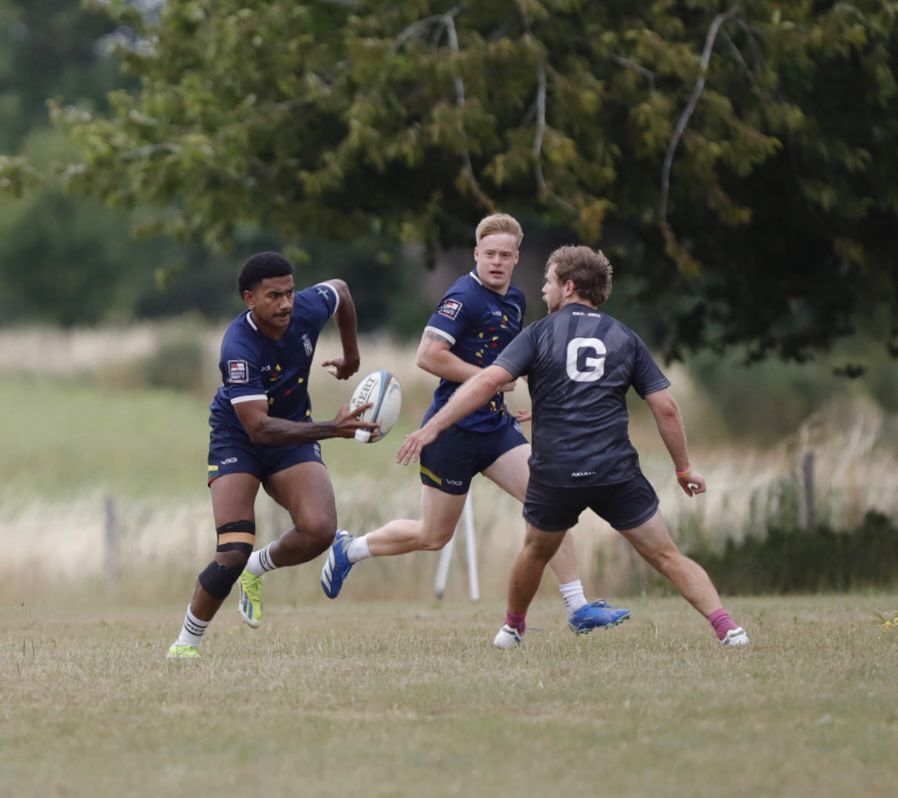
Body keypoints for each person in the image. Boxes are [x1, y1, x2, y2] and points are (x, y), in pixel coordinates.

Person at [397, 245, 750, 649]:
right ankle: (728, 629)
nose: (543, 290)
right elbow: (666, 408)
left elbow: (485, 384)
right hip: (615, 471)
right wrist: (684, 469)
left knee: (534, 551)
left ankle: (511, 629)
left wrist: (432, 427)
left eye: (547, 282)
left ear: (568, 287)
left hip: (556, 473)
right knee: (667, 555)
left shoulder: (538, 335)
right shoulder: (624, 337)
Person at [318, 214, 630, 633]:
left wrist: (538, 401)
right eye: (489, 254)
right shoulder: (462, 296)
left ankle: (578, 607)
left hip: (497, 429)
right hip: (452, 433)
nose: (497, 262)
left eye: (505, 255)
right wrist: (488, 381)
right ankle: (349, 550)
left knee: (551, 501)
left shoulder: (516, 300)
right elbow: (428, 356)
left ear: (517, 257)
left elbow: (521, 363)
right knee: (433, 535)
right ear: (476, 255)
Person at [167, 251, 377, 658]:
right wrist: (331, 428)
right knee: (231, 551)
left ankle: (257, 568)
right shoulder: (238, 347)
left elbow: (342, 292)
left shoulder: (306, 309)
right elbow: (259, 428)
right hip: (239, 438)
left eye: (290, 293)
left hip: (293, 431)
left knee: (320, 530)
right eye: (274, 296)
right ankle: (186, 643)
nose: (285, 304)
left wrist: (352, 355)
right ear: (250, 299)